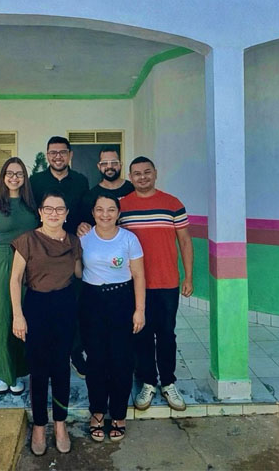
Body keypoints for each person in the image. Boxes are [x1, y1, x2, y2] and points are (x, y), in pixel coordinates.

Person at [119, 156, 194, 412]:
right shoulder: (121, 207)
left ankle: (168, 382)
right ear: (130, 177)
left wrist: (188, 277)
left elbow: (185, 242)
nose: (142, 177)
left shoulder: (172, 204)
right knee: (141, 335)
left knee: (166, 335)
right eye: (137, 173)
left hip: (167, 283)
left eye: (147, 172)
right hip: (134, 285)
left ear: (155, 173)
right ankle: (148, 382)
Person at [10, 191, 82, 457]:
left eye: (59, 209)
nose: (54, 213)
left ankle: (60, 424)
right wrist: (18, 314)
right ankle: (40, 425)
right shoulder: (27, 240)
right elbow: (15, 279)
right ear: (40, 212)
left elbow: (79, 273)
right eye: (48, 209)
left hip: (64, 306)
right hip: (36, 306)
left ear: (66, 214)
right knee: (38, 369)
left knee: (61, 368)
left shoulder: (74, 241)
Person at [79, 194, 145, 443]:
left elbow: (139, 275)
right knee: (96, 360)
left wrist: (140, 310)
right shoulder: (84, 238)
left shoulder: (129, 239)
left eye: (110, 210)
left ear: (118, 212)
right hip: (92, 301)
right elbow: (77, 269)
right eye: (99, 209)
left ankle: (118, 413)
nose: (104, 214)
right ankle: (97, 412)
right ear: (93, 212)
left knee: (122, 360)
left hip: (122, 300)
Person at [30, 135, 90, 377]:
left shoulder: (81, 181)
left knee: (74, 304)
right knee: (44, 304)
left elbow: (85, 213)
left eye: (62, 152)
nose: (58, 156)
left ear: (70, 155)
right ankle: (47, 355)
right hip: (43, 251)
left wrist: (84, 223)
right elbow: (31, 215)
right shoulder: (35, 182)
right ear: (47, 156)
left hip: (72, 250)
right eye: (53, 152)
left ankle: (75, 353)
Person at [0, 157, 38, 396]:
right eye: (10, 173)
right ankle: (3, 373)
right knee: (1, 317)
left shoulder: (31, 204)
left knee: (24, 316)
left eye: (19, 174)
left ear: (25, 178)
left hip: (30, 263)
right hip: (1, 261)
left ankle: (21, 368)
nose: (14, 177)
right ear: (3, 177)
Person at [77, 147, 134, 235]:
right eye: (104, 163)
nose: (109, 167)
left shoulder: (133, 189)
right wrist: (81, 227)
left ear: (120, 165)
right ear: (99, 166)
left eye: (114, 163)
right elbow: (85, 225)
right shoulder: (90, 196)